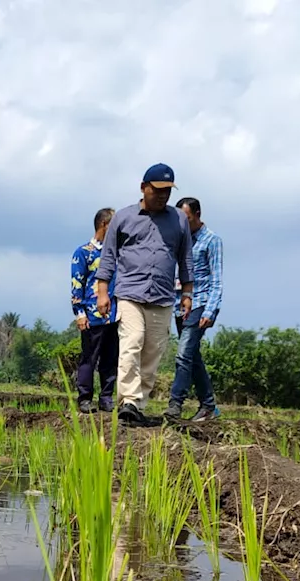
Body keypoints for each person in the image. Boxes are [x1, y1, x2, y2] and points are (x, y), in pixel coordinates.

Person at [95, 163, 194, 425]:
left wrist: (187, 292)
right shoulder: (124, 217)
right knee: (132, 342)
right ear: (143, 188)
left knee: (153, 351)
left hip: (162, 296)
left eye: (167, 191)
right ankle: (127, 399)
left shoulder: (179, 219)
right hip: (129, 293)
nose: (162, 196)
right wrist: (102, 291)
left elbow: (185, 257)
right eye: (157, 190)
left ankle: (138, 404)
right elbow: (108, 256)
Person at [165, 197, 223, 422]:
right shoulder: (181, 240)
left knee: (182, 355)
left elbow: (217, 279)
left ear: (197, 215)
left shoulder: (212, 240)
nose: (182, 223)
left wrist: (210, 310)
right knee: (192, 357)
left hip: (201, 303)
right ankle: (208, 405)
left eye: (186, 218)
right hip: (182, 304)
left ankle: (175, 404)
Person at [71, 207, 119, 413]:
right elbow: (77, 284)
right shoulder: (84, 253)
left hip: (115, 314)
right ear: (104, 225)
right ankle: (85, 398)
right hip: (92, 315)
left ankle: (106, 397)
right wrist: (79, 313)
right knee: (89, 358)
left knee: (111, 358)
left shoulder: (118, 254)